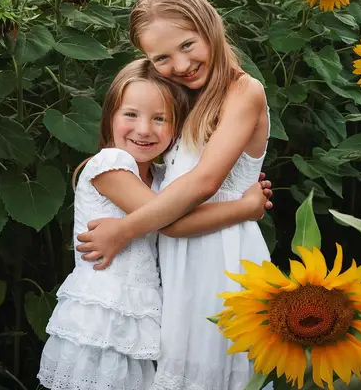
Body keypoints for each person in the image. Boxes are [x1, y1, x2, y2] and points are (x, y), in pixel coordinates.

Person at [75, 0, 274, 390]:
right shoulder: (186, 97)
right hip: (183, 260)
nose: (180, 65)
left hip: (224, 256)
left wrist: (126, 229)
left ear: (210, 25)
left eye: (187, 45)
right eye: (162, 57)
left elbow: (202, 182)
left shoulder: (244, 91)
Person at [37, 58, 272, 390]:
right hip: (103, 321)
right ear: (110, 118)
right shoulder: (111, 166)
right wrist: (244, 207)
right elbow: (170, 223)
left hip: (138, 320)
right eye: (130, 115)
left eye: (160, 118)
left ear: (176, 128)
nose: (144, 129)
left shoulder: (162, 179)